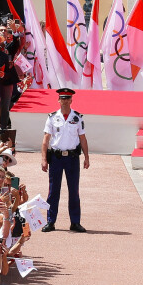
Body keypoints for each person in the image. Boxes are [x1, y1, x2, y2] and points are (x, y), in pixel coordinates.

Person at [41, 88, 89, 233]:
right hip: (56, 157)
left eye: (67, 98)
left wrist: (87, 157)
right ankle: (50, 221)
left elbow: (82, 138)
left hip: (72, 158)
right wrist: (44, 159)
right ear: (58, 100)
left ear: (71, 100)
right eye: (62, 98)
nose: (65, 101)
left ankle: (75, 222)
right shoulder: (52, 117)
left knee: (74, 190)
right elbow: (45, 140)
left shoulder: (77, 117)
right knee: (53, 191)